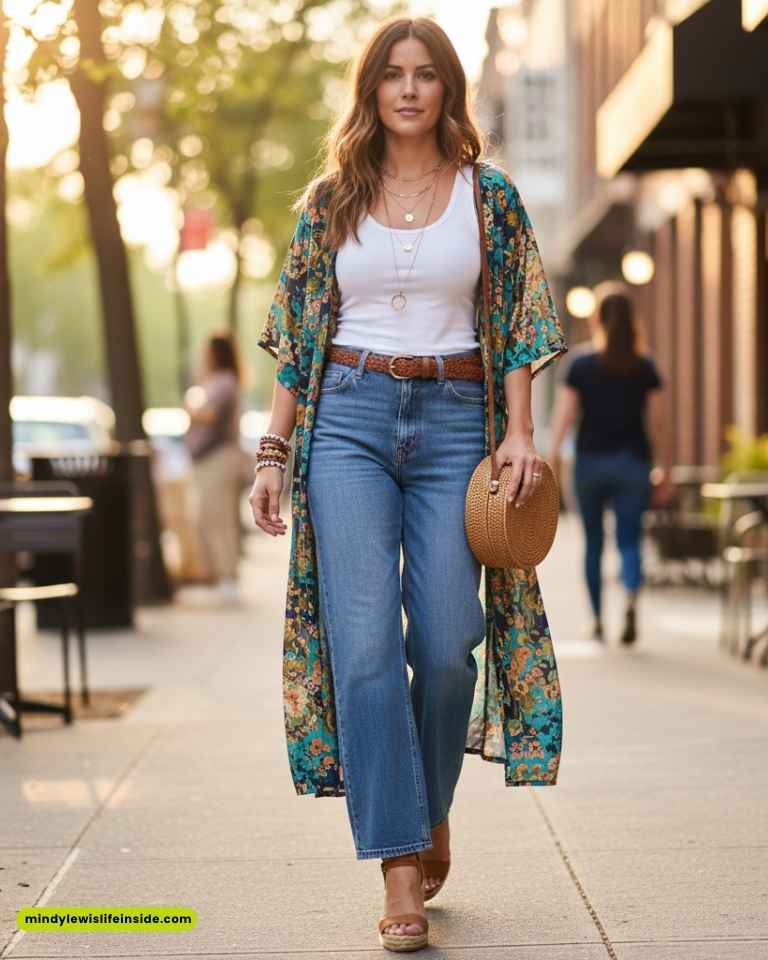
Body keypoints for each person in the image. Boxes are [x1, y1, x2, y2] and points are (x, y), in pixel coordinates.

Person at [249, 16, 568, 953]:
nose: (409, 89)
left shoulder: (489, 196)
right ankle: (400, 860)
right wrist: (274, 451)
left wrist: (520, 434)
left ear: (448, 89)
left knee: (447, 637)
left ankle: (430, 805)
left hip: (451, 427)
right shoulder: (333, 197)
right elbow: (300, 332)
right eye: (392, 75)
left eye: (426, 74)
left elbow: (516, 317)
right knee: (362, 648)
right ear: (372, 90)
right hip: (345, 417)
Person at [549, 287, 673, 645]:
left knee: (592, 542)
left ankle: (598, 620)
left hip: (589, 464)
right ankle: (631, 600)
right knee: (629, 539)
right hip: (633, 463)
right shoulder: (644, 366)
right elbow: (658, 422)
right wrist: (663, 466)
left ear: (597, 319)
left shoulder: (581, 365)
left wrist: (553, 460)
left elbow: (564, 418)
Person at [184, 331, 243, 605]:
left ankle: (227, 579)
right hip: (209, 458)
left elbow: (209, 414)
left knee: (218, 519)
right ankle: (221, 577)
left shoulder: (223, 383)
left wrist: (191, 406)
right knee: (212, 518)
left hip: (218, 458)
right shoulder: (218, 382)